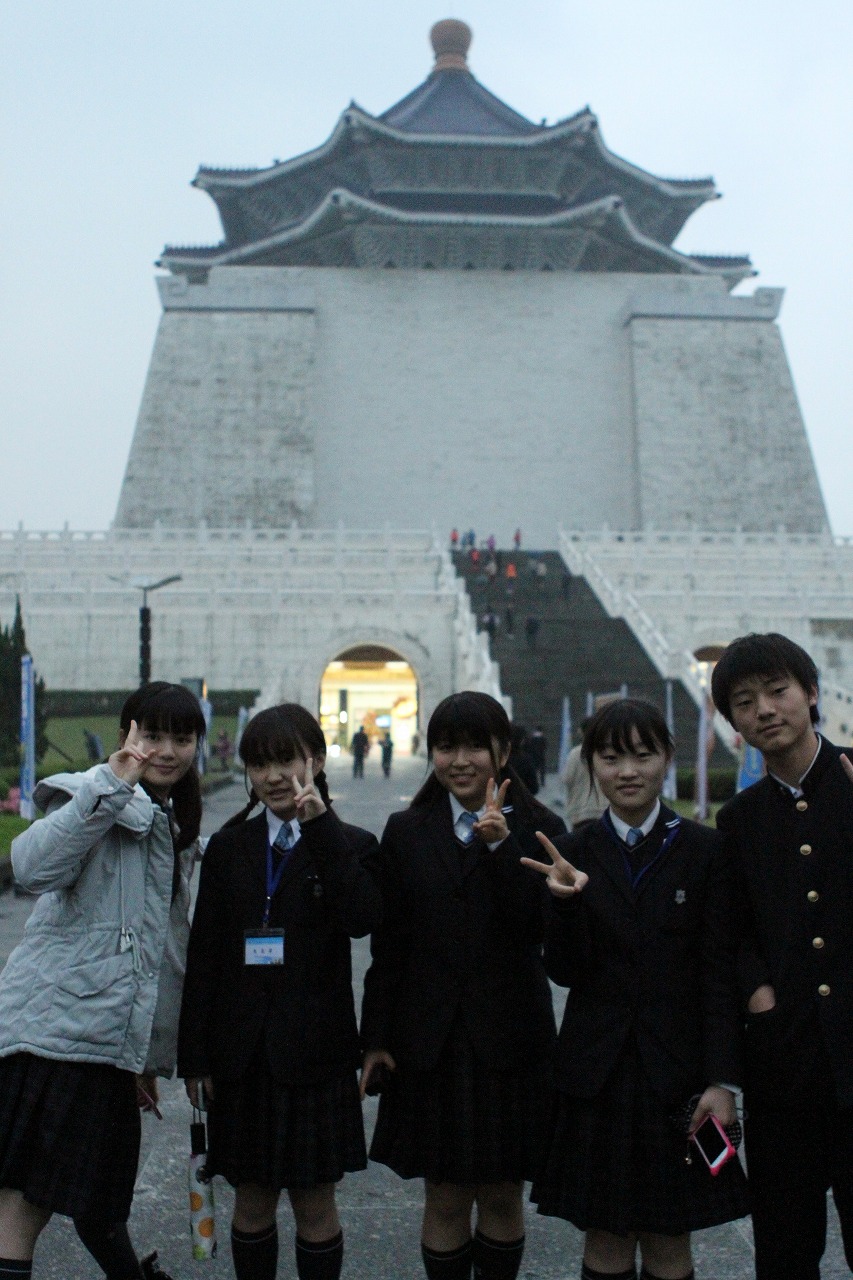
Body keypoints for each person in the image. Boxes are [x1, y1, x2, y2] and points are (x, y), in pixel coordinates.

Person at [527, 698, 748, 1280]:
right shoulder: (573, 851)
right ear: (591, 765)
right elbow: (565, 972)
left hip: (678, 1074)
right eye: (610, 758)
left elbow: (719, 974)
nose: (627, 772)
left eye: (643, 756)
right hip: (595, 1072)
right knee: (603, 1239)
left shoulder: (704, 850)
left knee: (671, 1240)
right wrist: (563, 905)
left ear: (667, 759)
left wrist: (723, 1080)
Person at [0, 682, 207, 1280]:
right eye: (152, 735)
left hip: (101, 1043)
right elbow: (29, 866)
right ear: (126, 737)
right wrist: (110, 786)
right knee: (23, 1207)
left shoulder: (172, 824)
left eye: (182, 738)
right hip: (57, 1036)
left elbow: (161, 954)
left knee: (97, 1199)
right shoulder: (92, 794)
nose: (166, 750)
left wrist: (147, 1053)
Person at [360, 691, 566, 1280]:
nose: (460, 760)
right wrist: (375, 1039)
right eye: (446, 747)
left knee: (502, 1193)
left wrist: (500, 846)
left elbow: (536, 929)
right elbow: (389, 947)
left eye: (476, 746)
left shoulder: (541, 830)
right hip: (432, 1042)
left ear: (502, 750)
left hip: (511, 1039)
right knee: (445, 1195)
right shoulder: (407, 830)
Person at [177, 703, 382, 1280]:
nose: (272, 777)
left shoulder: (351, 842)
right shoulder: (229, 848)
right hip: (242, 1054)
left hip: (315, 1053)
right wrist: (195, 1057)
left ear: (315, 761)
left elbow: (362, 917)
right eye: (258, 764)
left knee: (315, 1202)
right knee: (252, 1199)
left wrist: (321, 829)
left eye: (286, 760)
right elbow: (205, 955)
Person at [711, 633, 853, 1280]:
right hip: (785, 1068)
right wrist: (755, 989)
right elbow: (733, 933)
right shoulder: (738, 820)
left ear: (811, 692)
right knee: (786, 1252)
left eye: (777, 691)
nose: (764, 710)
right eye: (744, 702)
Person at [561, 723, 607, 832]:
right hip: (603, 810)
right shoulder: (605, 752)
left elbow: (566, 778)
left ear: (582, 732)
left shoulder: (575, 753)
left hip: (580, 811)